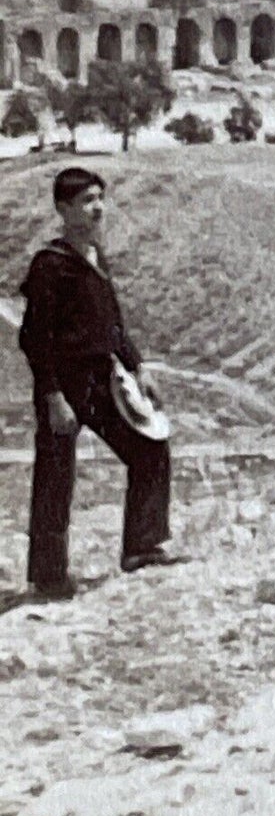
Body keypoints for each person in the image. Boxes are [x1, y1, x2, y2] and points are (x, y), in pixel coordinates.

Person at [18, 168, 177, 600]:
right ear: (63, 209)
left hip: (101, 380)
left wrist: (138, 368)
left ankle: (142, 547)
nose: (97, 207)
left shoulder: (94, 256)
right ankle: (48, 578)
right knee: (55, 477)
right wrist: (53, 398)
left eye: (100, 198)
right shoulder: (50, 266)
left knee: (149, 449)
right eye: (86, 200)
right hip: (63, 386)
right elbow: (34, 338)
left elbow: (113, 324)